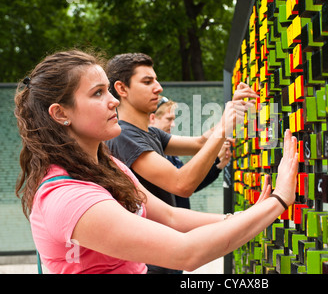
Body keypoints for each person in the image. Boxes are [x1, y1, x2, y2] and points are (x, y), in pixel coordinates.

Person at [15, 49, 298, 274]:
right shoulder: (68, 196)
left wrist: (242, 216)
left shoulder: (109, 166)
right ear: (60, 113)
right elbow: (186, 250)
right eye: (98, 93)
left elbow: (172, 216)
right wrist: (279, 199)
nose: (112, 101)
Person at [105, 52, 256, 273]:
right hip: (149, 261)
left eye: (156, 80)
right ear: (121, 89)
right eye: (147, 82)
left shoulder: (151, 133)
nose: (158, 88)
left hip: (165, 254)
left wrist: (231, 109)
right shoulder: (124, 136)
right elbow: (181, 184)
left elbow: (200, 142)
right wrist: (224, 127)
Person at [149, 95, 231, 210]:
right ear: (152, 118)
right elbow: (181, 185)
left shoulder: (167, 151)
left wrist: (218, 164)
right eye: (169, 119)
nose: (173, 124)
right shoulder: (149, 152)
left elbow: (191, 183)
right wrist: (224, 124)